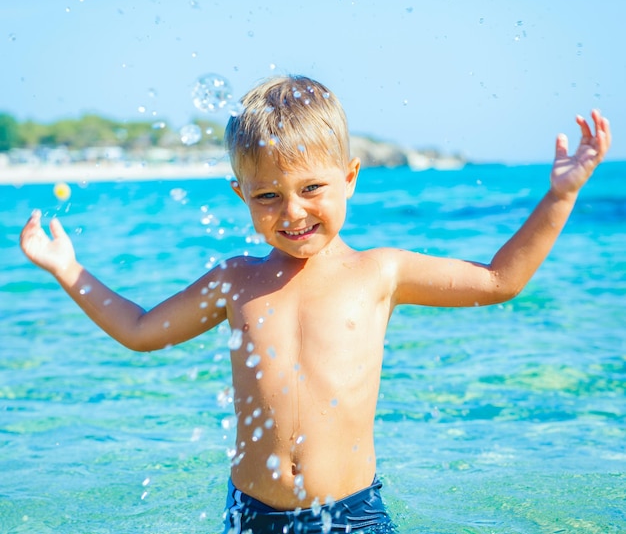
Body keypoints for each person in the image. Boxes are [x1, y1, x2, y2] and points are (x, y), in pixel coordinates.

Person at [20, 75, 611, 533]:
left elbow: (497, 281)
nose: (293, 213)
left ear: (350, 176)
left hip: (350, 515)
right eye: (268, 196)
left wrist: (561, 195)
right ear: (240, 195)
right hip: (251, 515)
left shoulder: (379, 272)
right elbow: (142, 329)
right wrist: (68, 270)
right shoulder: (235, 280)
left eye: (312, 189)